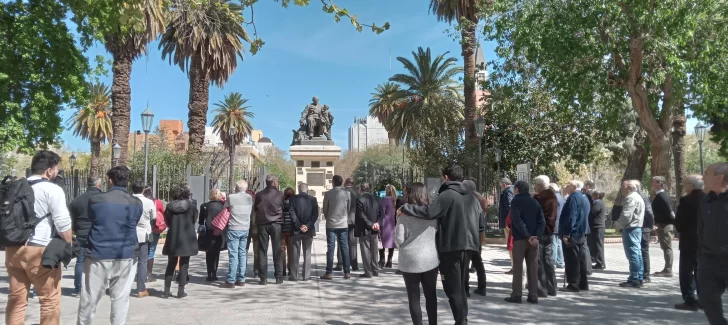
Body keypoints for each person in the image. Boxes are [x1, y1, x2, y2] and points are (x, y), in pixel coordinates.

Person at [399, 165, 481, 325]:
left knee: (452, 288)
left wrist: (406, 207)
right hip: (469, 246)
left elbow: (429, 212)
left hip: (451, 248)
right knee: (462, 288)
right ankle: (463, 319)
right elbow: (479, 220)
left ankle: (461, 322)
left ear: (446, 177)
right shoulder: (471, 197)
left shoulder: (447, 195)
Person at [5, 150, 73, 325]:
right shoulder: (52, 189)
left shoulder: (16, 186)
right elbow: (63, 223)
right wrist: (69, 245)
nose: (57, 172)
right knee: (49, 301)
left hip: (13, 249)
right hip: (40, 250)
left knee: (16, 300)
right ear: (49, 170)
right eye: (56, 168)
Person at [77, 166, 143, 324]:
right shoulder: (136, 203)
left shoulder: (96, 200)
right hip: (126, 255)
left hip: (98, 253)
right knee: (120, 299)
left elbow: (93, 220)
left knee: (89, 299)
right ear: (127, 182)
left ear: (110, 181)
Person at [396, 182, 439, 325]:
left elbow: (399, 239)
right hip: (430, 259)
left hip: (410, 260)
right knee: (431, 295)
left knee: (414, 297)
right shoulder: (432, 214)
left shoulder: (404, 215)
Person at [505, 180, 545, 304]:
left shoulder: (516, 201)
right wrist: (536, 236)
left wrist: (528, 236)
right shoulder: (535, 201)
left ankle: (517, 295)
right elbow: (541, 221)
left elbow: (517, 220)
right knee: (533, 267)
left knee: (518, 267)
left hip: (520, 239)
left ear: (517, 189)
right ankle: (533, 295)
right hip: (534, 240)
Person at [698, 163, 728, 324]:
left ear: (719, 177)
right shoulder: (705, 201)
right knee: (707, 298)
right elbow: (700, 230)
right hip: (709, 260)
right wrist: (701, 256)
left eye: (706, 173)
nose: (703, 177)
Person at [161, 184, 199, 298]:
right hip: (187, 236)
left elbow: (167, 221)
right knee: (184, 264)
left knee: (170, 264)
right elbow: (194, 220)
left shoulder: (169, 207)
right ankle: (181, 290)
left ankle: (166, 290)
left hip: (173, 236)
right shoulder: (191, 206)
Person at [673, 175, 705, 311]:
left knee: (686, 272)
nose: (685, 186)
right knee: (701, 271)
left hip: (689, 241)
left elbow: (679, 223)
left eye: (686, 184)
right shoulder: (709, 199)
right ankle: (703, 300)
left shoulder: (687, 201)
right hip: (705, 241)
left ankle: (689, 300)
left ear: (691, 185)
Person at [69, 177, 103, 297]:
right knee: (98, 261)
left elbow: (71, 218)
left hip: (81, 233)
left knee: (80, 261)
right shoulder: (102, 199)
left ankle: (78, 289)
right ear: (99, 185)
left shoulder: (77, 200)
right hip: (97, 232)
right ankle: (95, 288)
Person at [559, 180, 590, 293]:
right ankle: (583, 283)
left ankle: (573, 284)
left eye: (567, 185)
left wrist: (567, 233)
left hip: (573, 233)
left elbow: (571, 216)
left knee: (572, 259)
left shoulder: (573, 198)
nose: (565, 187)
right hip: (581, 232)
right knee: (580, 259)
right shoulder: (584, 198)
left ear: (573, 186)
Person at [221, 181, 254, 288]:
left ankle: (231, 280)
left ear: (236, 187)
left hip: (234, 228)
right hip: (245, 228)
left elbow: (225, 209)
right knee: (242, 253)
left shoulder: (231, 197)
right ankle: (241, 279)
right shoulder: (249, 198)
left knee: (233, 254)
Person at [255, 175, 285, 284]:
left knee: (262, 251)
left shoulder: (259, 195)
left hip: (262, 224)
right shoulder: (280, 194)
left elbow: (255, 208)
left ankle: (263, 278)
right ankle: (279, 277)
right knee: (277, 250)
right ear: (274, 183)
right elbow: (283, 208)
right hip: (276, 224)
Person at [321, 175, 352, 280]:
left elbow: (325, 209)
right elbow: (348, 209)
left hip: (331, 224)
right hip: (343, 224)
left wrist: (328, 217)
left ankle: (329, 272)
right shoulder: (347, 193)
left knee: (331, 248)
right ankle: (347, 272)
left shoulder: (328, 194)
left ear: (333, 182)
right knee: (344, 247)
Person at [533, 175, 558, 297]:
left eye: (536, 184)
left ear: (540, 185)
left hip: (541, 231)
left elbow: (536, 214)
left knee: (540, 260)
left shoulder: (540, 198)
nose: (535, 187)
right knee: (548, 260)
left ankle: (542, 289)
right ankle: (552, 287)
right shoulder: (553, 195)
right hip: (550, 231)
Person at [617, 180, 645, 288]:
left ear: (628, 187)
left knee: (633, 253)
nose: (621, 189)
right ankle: (639, 277)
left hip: (631, 228)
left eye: (622, 186)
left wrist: (618, 225)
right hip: (636, 227)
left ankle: (634, 278)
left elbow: (626, 215)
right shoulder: (637, 196)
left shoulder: (631, 198)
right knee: (637, 253)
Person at [289, 183, 319, 281]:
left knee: (295, 253)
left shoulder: (293, 199)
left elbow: (292, 214)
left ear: (298, 189)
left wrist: (299, 225)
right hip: (308, 230)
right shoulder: (313, 199)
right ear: (307, 189)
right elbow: (315, 215)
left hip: (296, 230)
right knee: (307, 252)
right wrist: (308, 225)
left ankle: (294, 276)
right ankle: (306, 276)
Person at [463, 179, 487, 297]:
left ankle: (465, 288)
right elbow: (481, 219)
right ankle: (482, 287)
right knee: (478, 262)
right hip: (476, 235)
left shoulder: (463, 200)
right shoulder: (478, 200)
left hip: (465, 236)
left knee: (465, 263)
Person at [131, 181, 155, 297]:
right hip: (144, 234)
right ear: (143, 190)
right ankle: (141, 289)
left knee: (128, 261)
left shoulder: (128, 200)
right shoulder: (149, 202)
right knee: (142, 261)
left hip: (129, 233)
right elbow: (153, 217)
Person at [355, 182, 383, 278]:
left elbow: (361, 215)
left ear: (361, 189)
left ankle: (368, 271)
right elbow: (381, 213)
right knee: (374, 250)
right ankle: (375, 270)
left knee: (366, 250)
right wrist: (377, 223)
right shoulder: (378, 199)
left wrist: (370, 224)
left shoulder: (360, 200)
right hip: (375, 229)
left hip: (365, 229)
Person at [199, 189, 226, 282]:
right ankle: (214, 273)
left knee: (208, 253)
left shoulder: (204, 206)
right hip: (218, 231)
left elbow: (201, 221)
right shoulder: (222, 206)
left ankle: (209, 273)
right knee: (216, 253)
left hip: (208, 231)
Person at [651, 176, 675, 277]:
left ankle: (668, 270)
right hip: (664, 224)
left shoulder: (662, 195)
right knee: (665, 247)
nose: (651, 184)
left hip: (665, 225)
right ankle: (667, 268)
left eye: (653, 182)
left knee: (667, 247)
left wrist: (667, 223)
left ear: (659, 183)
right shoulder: (660, 195)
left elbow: (669, 211)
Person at [336, 178, 360, 271]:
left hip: (343, 220)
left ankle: (340, 264)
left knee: (341, 242)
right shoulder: (357, 194)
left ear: (345, 183)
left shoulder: (341, 192)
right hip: (354, 221)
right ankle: (354, 264)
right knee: (353, 243)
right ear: (353, 184)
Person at [144, 186, 165, 282]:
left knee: (142, 250)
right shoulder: (157, 202)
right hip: (154, 229)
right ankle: (149, 274)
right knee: (151, 250)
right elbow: (162, 213)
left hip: (142, 229)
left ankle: (141, 273)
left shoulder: (140, 201)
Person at [637, 183, 655, 283]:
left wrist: (650, 226)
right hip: (641, 227)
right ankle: (641, 273)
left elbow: (649, 213)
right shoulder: (638, 195)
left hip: (644, 228)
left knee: (644, 252)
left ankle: (646, 275)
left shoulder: (642, 196)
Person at [379, 184, 397, 268]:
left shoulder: (385, 199)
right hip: (393, 222)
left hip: (385, 222)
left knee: (382, 242)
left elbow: (381, 211)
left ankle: (382, 259)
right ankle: (389, 261)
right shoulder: (395, 200)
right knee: (391, 242)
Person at [499, 178, 515, 273]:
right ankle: (514, 266)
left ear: (504, 184)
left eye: (501, 185)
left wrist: (508, 222)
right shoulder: (512, 190)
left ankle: (514, 267)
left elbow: (509, 206)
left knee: (511, 246)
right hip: (510, 222)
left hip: (508, 223)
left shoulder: (508, 192)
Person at [588, 191, 607, 269]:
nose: (592, 196)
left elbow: (592, 212)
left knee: (598, 245)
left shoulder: (598, 203)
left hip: (598, 227)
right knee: (596, 245)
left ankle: (600, 262)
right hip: (596, 227)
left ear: (597, 196)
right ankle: (598, 261)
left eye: (593, 195)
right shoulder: (598, 203)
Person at [550, 183, 566, 268]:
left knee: (554, 242)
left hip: (554, 222)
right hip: (560, 222)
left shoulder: (554, 197)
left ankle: (553, 261)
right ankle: (560, 261)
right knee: (558, 242)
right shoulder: (561, 197)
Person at [281, 187, 296, 277]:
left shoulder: (281, 203)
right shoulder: (294, 204)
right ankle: (290, 269)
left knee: (282, 250)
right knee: (291, 250)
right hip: (291, 229)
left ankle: (282, 269)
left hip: (282, 229)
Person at [245, 188, 259, 278]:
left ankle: (243, 270)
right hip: (256, 230)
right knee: (256, 251)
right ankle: (256, 270)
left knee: (244, 251)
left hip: (246, 229)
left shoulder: (243, 205)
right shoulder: (257, 205)